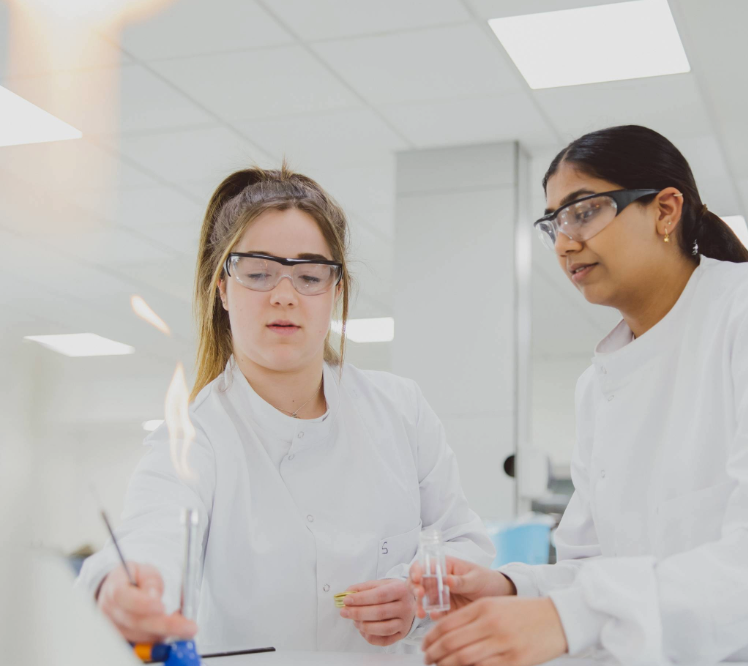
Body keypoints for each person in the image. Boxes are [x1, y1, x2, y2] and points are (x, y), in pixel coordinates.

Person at [410, 125, 748, 666]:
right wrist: (509, 589)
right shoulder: (599, 386)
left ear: (666, 210)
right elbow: (601, 567)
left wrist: (570, 619)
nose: (566, 242)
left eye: (584, 211)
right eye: (554, 223)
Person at [77, 165, 494, 653]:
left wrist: (417, 592)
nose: (284, 295)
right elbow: (150, 535)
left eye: (310, 276)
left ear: (336, 290)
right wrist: (122, 589)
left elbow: (467, 545)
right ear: (222, 288)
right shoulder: (195, 437)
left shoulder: (400, 411)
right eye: (258, 272)